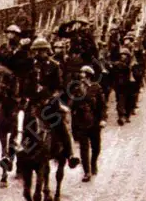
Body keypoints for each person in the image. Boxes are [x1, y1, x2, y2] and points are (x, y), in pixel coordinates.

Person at [23, 37, 79, 167]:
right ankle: (20, 152)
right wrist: (27, 97)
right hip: (33, 102)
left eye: (41, 51)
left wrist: (50, 98)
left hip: (49, 104)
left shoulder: (54, 65)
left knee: (60, 125)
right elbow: (25, 86)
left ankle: (70, 154)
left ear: (46, 50)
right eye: (36, 51)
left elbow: (59, 88)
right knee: (23, 124)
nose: (38, 53)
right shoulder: (31, 66)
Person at [70, 66, 105, 182]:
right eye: (81, 74)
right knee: (84, 148)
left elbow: (102, 106)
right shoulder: (76, 89)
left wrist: (102, 119)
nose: (81, 76)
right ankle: (87, 172)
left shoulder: (96, 88)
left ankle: (93, 162)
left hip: (94, 122)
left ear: (89, 75)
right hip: (81, 122)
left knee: (96, 147)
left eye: (83, 74)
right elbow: (72, 106)